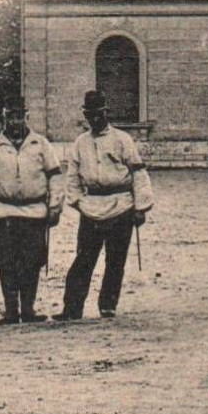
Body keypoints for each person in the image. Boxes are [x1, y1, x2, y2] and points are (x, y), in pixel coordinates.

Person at [56, 90, 154, 321]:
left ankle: (108, 305)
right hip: (91, 208)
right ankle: (72, 308)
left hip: (121, 206)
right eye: (90, 115)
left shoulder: (122, 139)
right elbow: (72, 176)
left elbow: (137, 172)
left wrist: (141, 207)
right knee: (83, 259)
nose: (95, 119)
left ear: (106, 113)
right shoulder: (80, 143)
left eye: (99, 114)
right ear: (86, 116)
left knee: (115, 260)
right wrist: (78, 201)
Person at [0, 98, 64, 324]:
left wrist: (55, 206)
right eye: (11, 116)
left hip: (34, 212)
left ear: (26, 116)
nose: (15, 121)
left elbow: (55, 177)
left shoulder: (40, 144)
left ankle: (28, 310)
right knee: (6, 261)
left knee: (32, 261)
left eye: (19, 116)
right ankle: (11, 311)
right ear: (4, 118)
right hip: (3, 212)